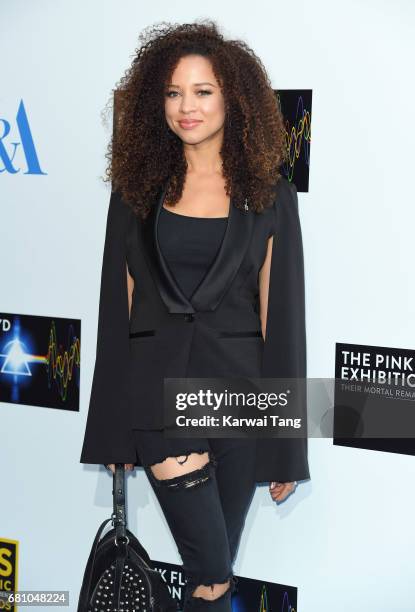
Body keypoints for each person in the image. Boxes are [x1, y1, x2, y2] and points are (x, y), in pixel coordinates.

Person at [80, 20, 310, 611]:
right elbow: (117, 311)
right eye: (174, 92)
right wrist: (111, 428)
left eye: (203, 92)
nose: (187, 107)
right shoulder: (136, 190)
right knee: (210, 576)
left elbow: (279, 320)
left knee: (214, 574)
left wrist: (285, 445)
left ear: (232, 99)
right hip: (160, 402)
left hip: (239, 401)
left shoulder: (269, 194)